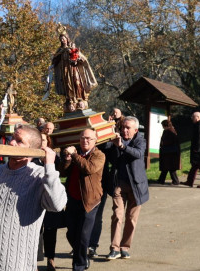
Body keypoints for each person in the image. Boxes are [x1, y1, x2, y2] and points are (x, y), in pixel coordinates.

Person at [0, 124, 67, 271]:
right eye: (12, 138)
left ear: (33, 149)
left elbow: (57, 205)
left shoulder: (39, 176)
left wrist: (50, 166)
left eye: (19, 141)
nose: (11, 142)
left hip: (16, 266)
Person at [99, 117, 149, 260]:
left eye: (128, 128)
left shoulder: (140, 140)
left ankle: (125, 247)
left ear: (135, 130)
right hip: (119, 185)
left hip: (136, 186)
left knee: (131, 219)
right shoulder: (116, 139)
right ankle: (114, 248)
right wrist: (108, 136)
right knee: (117, 216)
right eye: (123, 127)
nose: (125, 130)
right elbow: (104, 148)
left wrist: (123, 147)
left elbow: (138, 154)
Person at [59, 128, 105, 271]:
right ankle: (83, 258)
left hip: (90, 200)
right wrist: (67, 160)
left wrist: (74, 155)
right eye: (82, 138)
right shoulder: (75, 154)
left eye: (89, 138)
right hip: (72, 198)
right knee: (71, 233)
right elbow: (63, 172)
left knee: (83, 235)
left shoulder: (99, 155)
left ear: (95, 140)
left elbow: (88, 169)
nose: (85, 141)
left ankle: (78, 266)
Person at [88, 107, 124, 258]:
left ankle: (96, 245)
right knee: (95, 213)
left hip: (114, 181)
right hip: (100, 179)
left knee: (114, 214)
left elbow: (117, 154)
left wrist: (113, 135)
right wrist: (105, 133)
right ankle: (89, 245)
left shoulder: (121, 135)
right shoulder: (101, 140)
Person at [49, 27, 98, 113]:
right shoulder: (60, 50)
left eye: (63, 38)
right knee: (68, 86)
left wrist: (76, 57)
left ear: (67, 38)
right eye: (61, 39)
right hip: (65, 72)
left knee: (77, 83)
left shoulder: (72, 47)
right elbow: (55, 60)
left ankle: (79, 98)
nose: (62, 40)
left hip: (73, 70)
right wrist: (53, 64)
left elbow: (80, 57)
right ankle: (70, 100)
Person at [157, 119, 181, 185]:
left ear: (165, 125)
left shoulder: (169, 131)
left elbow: (167, 142)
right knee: (167, 167)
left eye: (163, 125)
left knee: (169, 167)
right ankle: (161, 180)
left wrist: (163, 145)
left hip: (169, 152)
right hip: (170, 152)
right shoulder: (171, 130)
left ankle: (175, 181)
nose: (162, 127)